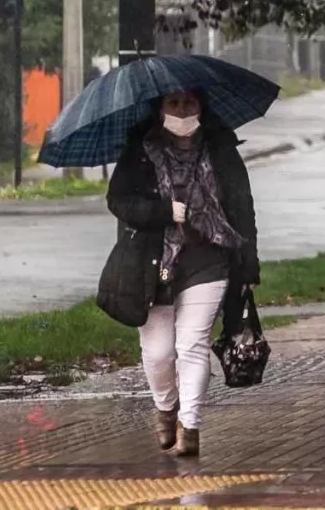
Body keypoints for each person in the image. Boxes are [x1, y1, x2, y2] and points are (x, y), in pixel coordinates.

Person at [101, 89, 260, 457]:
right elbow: (118, 200)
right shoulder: (139, 151)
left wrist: (249, 263)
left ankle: (190, 425)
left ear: (202, 106)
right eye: (174, 103)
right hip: (151, 261)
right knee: (159, 354)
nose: (182, 110)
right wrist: (163, 212)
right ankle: (166, 408)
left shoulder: (220, 149)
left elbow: (242, 207)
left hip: (209, 258)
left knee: (192, 345)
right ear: (160, 109)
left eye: (190, 103)